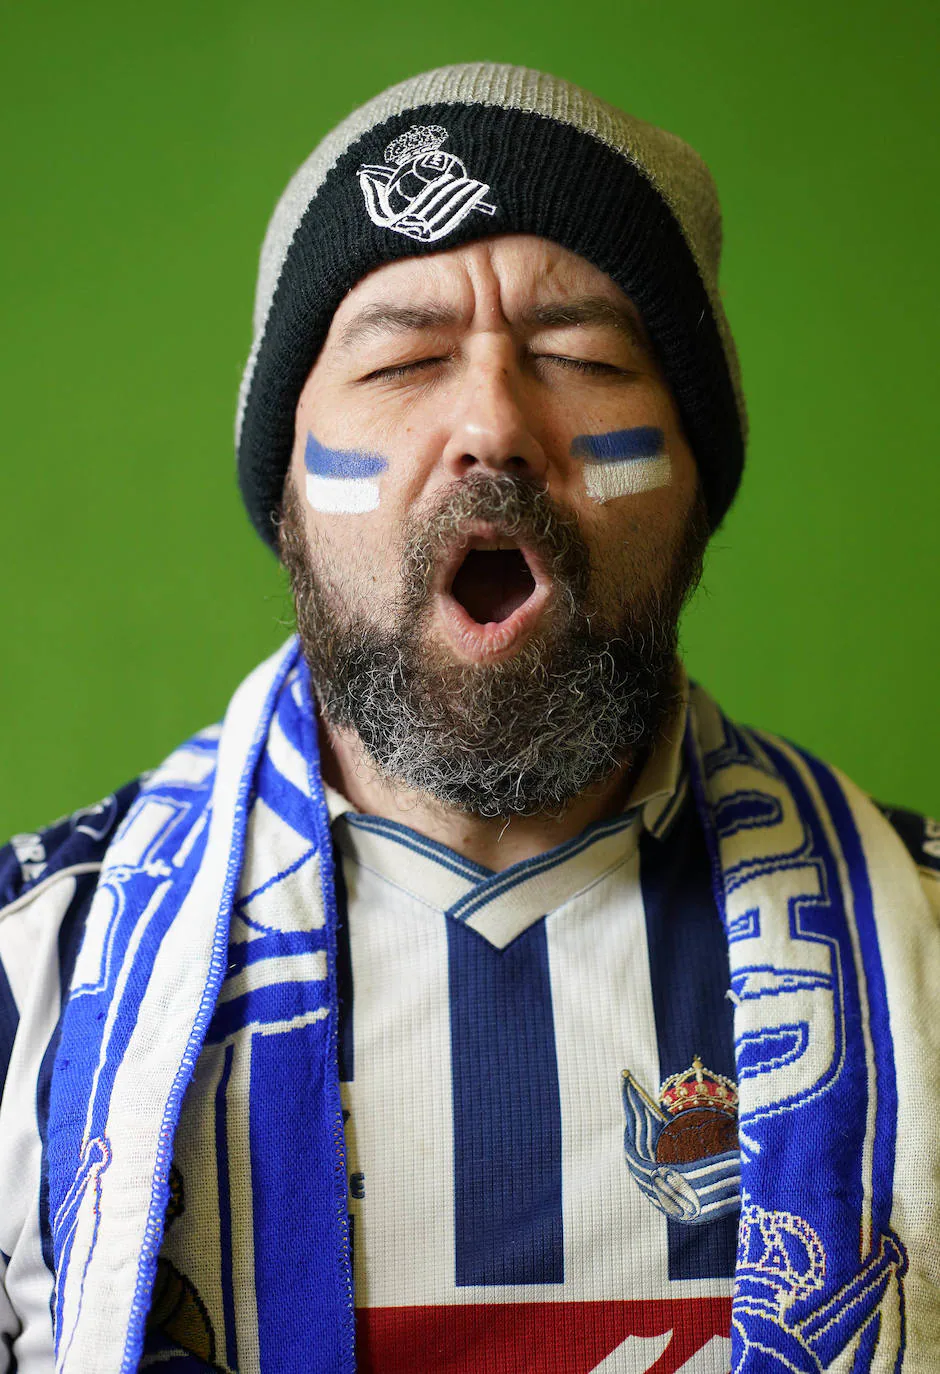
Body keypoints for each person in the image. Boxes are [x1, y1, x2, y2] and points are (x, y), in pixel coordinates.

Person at [0, 62, 937, 1374]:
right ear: (285, 485)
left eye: (584, 355)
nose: (493, 420)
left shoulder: (927, 956)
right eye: (404, 357)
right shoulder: (28, 984)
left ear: (695, 482)